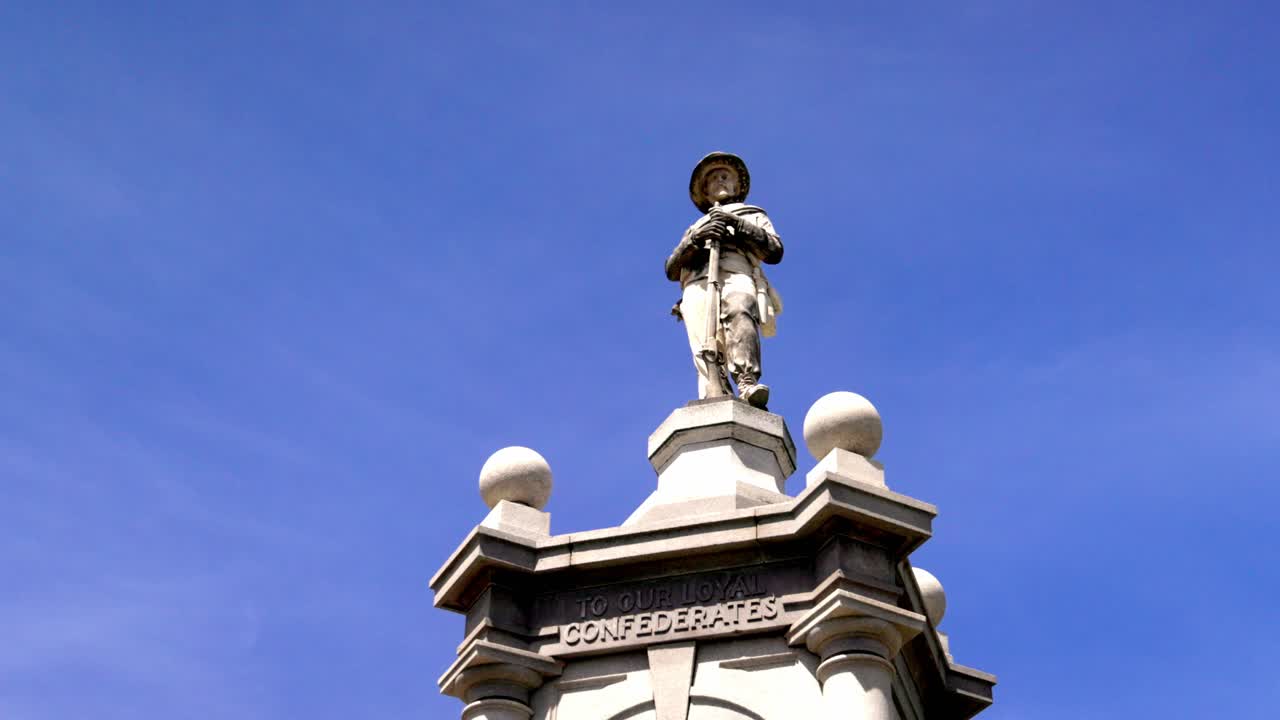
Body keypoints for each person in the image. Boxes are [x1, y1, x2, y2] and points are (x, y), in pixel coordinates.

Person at [666, 152, 783, 409]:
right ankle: (714, 390)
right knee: (703, 342)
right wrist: (696, 240)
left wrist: (736, 224)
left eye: (725, 176)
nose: (719, 180)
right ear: (705, 192)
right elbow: (671, 268)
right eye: (713, 179)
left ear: (736, 185)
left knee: (741, 307)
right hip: (697, 282)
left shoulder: (751, 214)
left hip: (736, 273)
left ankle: (747, 381)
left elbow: (774, 250)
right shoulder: (696, 226)